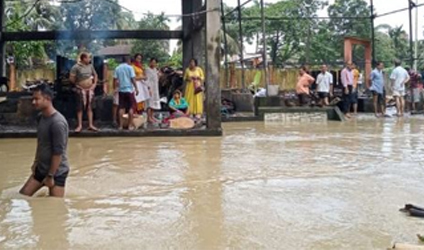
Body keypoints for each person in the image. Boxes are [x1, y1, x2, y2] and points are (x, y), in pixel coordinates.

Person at [19, 84, 70, 197]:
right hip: (41, 168)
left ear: (47, 99)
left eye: (37, 99)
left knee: (55, 207)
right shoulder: (41, 117)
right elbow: (41, 143)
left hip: (57, 172)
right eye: (33, 99)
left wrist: (50, 176)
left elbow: (58, 152)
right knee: (22, 196)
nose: (33, 102)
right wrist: (36, 162)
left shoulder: (57, 123)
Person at [69, 52, 98, 132]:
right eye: (88, 58)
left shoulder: (90, 66)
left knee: (90, 107)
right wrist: (77, 84)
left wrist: (94, 84)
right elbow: (71, 78)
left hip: (90, 89)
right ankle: (79, 125)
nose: (89, 59)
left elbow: (95, 75)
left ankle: (90, 125)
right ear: (84, 58)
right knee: (80, 107)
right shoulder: (76, 67)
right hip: (80, 90)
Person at [114, 56, 139, 130]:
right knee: (131, 108)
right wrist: (136, 88)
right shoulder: (130, 68)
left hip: (121, 90)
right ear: (128, 60)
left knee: (121, 108)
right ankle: (130, 125)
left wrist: (115, 88)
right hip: (129, 90)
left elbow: (115, 80)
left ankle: (120, 126)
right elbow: (133, 79)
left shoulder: (117, 68)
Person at [144, 58, 161, 123]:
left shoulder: (155, 70)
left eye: (155, 63)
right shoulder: (147, 70)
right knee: (149, 103)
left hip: (155, 88)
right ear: (150, 62)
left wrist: (158, 75)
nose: (153, 64)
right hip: (150, 88)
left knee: (154, 102)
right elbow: (146, 80)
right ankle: (149, 117)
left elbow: (157, 80)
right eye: (152, 62)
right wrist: (148, 88)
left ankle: (152, 116)